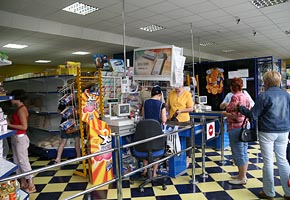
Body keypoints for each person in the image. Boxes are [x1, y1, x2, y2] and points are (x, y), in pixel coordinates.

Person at [238, 71, 290, 199]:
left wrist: (241, 108)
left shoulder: (263, 96)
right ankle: (289, 192)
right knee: (283, 161)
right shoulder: (287, 95)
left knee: (268, 161)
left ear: (266, 82)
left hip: (267, 131)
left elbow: (253, 115)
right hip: (284, 131)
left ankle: (269, 192)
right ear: (279, 81)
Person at [222, 77, 251, 185]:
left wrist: (225, 114)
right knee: (243, 151)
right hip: (245, 127)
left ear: (231, 87)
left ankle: (242, 177)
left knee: (238, 153)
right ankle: (242, 174)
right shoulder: (245, 96)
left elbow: (236, 116)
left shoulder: (235, 97)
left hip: (236, 128)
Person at [7, 89, 36, 193]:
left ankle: (31, 184)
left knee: (23, 161)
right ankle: (23, 182)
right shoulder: (19, 108)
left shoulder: (21, 109)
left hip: (20, 137)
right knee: (17, 160)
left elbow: (24, 126)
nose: (10, 99)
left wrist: (9, 125)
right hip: (16, 137)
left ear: (16, 98)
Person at [141, 85, 167, 177]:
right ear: (160, 95)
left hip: (145, 132)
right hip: (157, 132)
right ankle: (154, 173)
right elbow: (164, 120)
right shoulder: (161, 105)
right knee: (156, 151)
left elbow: (143, 115)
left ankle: (145, 171)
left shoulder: (145, 103)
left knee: (146, 150)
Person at [167, 85, 194, 168]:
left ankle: (187, 158)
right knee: (173, 139)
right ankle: (172, 158)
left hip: (184, 120)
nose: (176, 89)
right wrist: (168, 115)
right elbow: (168, 106)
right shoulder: (171, 93)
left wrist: (181, 110)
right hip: (173, 120)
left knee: (187, 139)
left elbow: (191, 108)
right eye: (175, 87)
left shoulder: (187, 94)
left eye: (178, 87)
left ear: (182, 85)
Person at [54, 92, 81, 164]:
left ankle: (58, 158)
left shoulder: (63, 102)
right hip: (74, 123)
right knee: (77, 140)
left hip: (65, 124)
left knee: (63, 141)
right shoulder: (77, 101)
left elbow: (58, 111)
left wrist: (64, 113)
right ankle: (78, 157)